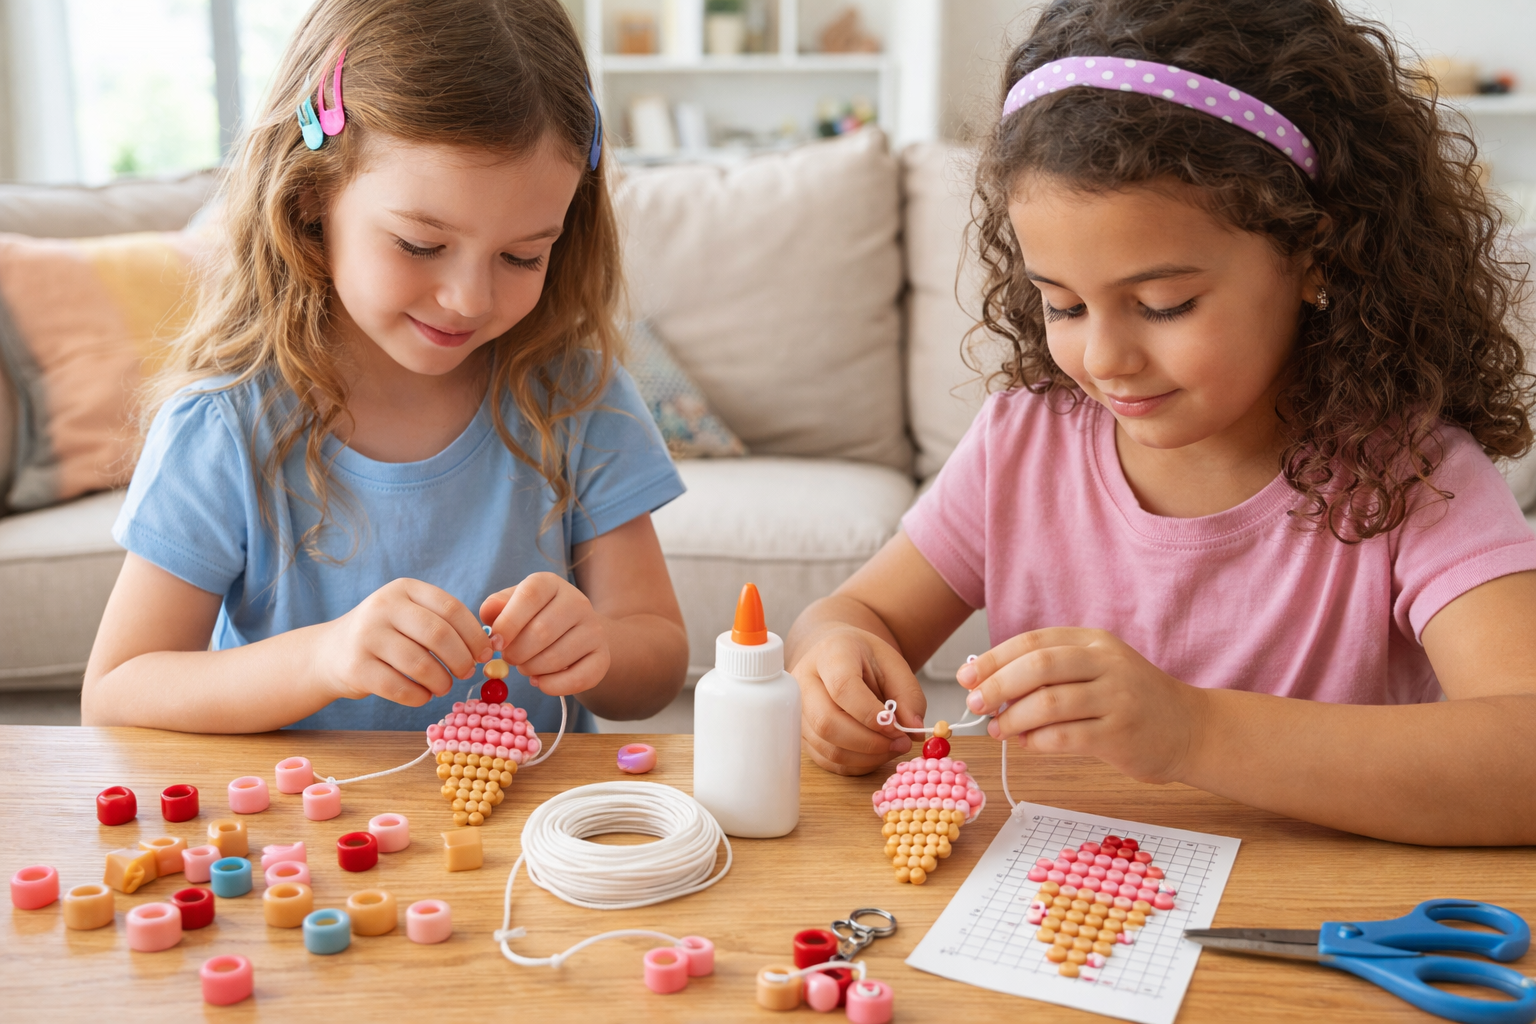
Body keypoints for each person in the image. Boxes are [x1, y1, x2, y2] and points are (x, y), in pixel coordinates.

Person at [786, 0, 1536, 845]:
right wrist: (833, 662)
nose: (1105, 359)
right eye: (1062, 304)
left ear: (1315, 256)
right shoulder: (1024, 443)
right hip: (1068, 915)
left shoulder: (1413, 476)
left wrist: (1193, 731)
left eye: (1163, 305)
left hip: (1322, 922)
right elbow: (854, 617)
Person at [83, 0, 689, 737]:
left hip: (524, 834)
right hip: (305, 840)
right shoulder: (225, 426)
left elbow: (654, 663)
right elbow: (116, 693)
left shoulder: (577, 399)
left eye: (523, 256)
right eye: (419, 245)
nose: (470, 297)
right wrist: (322, 658)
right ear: (311, 200)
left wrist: (600, 646)